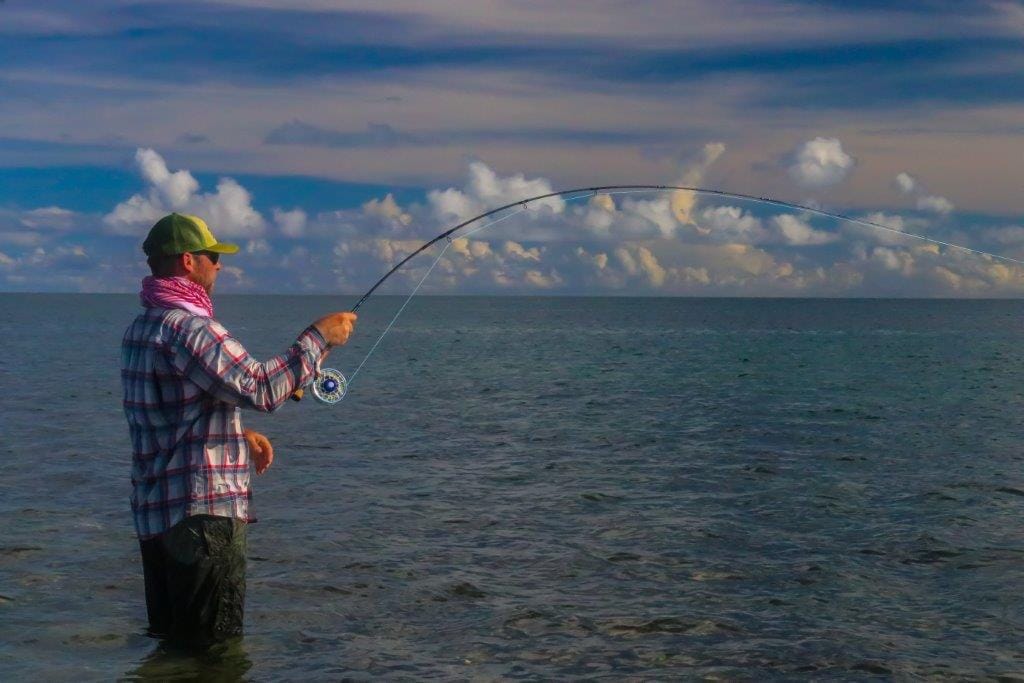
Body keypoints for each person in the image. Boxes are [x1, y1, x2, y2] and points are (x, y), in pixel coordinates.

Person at [121, 212, 356, 645]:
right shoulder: (190, 328)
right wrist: (319, 337)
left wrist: (237, 435)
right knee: (215, 653)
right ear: (189, 261)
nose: (220, 265)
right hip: (202, 519)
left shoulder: (140, 330)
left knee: (173, 645)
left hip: (156, 517)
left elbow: (167, 414)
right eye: (214, 256)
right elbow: (262, 388)